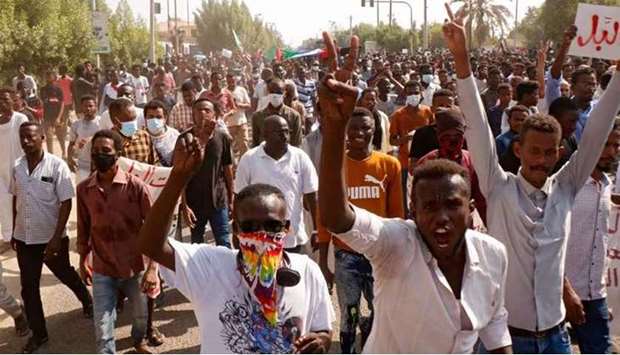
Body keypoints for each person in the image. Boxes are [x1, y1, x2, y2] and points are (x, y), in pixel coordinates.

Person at [318, 32, 511, 353]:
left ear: (470, 206)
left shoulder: (493, 255)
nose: (442, 218)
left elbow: (495, 327)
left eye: (453, 205)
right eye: (429, 207)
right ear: (413, 209)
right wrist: (336, 129)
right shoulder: (394, 245)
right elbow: (337, 217)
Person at [443, 5, 620, 352]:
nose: (542, 160)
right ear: (519, 150)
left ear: (559, 153)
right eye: (534, 151)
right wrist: (462, 60)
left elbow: (597, 130)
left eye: (550, 152)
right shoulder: (499, 187)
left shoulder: (566, 187)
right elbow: (478, 126)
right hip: (505, 340)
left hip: (557, 339)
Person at [139, 152, 335, 354]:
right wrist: (178, 179)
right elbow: (150, 244)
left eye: (272, 226)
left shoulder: (306, 270)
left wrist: (321, 340)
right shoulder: (211, 266)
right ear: (236, 230)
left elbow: (323, 330)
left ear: (286, 228)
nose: (261, 235)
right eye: (250, 227)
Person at [317, 107, 403, 353]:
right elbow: (324, 217)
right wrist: (324, 262)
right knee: (349, 314)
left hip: (380, 256)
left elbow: (397, 216)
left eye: (365, 128)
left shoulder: (389, 165)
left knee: (382, 311)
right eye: (352, 128)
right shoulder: (334, 167)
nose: (358, 133)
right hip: (346, 257)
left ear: (374, 131)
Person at [10, 122, 93, 353]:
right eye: (23, 137)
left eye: (31, 137)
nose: (26, 141)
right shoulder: (17, 167)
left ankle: (86, 299)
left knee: (64, 273)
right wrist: (15, 231)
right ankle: (39, 334)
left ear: (42, 138)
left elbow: (66, 202)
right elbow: (16, 198)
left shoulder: (57, 166)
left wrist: (56, 237)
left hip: (51, 237)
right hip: (25, 238)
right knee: (29, 287)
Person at [77, 129, 159, 354]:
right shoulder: (84, 190)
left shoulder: (136, 187)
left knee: (141, 316)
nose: (100, 155)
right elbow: (83, 230)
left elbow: (154, 231)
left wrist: (153, 269)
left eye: (106, 151)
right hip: (103, 268)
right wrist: (82, 261)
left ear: (117, 154)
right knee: (102, 327)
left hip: (135, 267)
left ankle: (138, 340)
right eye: (95, 152)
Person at [564, 119, 620, 354]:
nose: (610, 152)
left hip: (595, 293)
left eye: (616, 145)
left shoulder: (607, 185)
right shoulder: (566, 183)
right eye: (604, 144)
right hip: (559, 293)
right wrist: (564, 291)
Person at [236, 115, 318, 254]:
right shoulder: (249, 159)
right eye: (279, 132)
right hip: (259, 240)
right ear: (265, 135)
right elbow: (239, 199)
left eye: (287, 131)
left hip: (293, 240)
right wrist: (238, 230)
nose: (285, 136)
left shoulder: (300, 157)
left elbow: (312, 196)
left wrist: (317, 229)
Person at [417, 108, 486, 225]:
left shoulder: (470, 160)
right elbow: (418, 202)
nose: (452, 140)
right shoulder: (427, 162)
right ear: (438, 136)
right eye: (447, 136)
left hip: (463, 224)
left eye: (457, 135)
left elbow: (481, 200)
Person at [182, 98, 234, 248]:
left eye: (207, 110)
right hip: (195, 201)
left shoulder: (222, 137)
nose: (203, 113)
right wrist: (184, 206)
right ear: (192, 114)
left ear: (214, 115)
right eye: (199, 110)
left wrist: (231, 198)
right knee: (196, 243)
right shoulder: (185, 139)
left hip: (218, 200)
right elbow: (181, 176)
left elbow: (227, 169)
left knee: (224, 242)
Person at [389, 80, 433, 215]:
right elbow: (392, 141)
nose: (413, 95)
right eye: (410, 93)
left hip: (426, 161)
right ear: (405, 95)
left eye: (415, 92)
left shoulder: (428, 112)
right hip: (405, 162)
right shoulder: (398, 115)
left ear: (421, 94)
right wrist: (407, 138)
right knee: (404, 193)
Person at [0, 88, 30, 243]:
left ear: (13, 101)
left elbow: (30, 141)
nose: (2, 103)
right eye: (0, 100)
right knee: (4, 203)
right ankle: (7, 237)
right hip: (1, 171)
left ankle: (24, 235)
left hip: (19, 169)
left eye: (6, 99)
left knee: (22, 203)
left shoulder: (20, 119)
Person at [252, 78, 302, 147]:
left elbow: (297, 144)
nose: (275, 95)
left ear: (284, 93)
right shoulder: (257, 116)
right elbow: (255, 143)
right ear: (268, 92)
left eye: (279, 92)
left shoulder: (294, 116)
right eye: (272, 92)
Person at [109, 98, 158, 165]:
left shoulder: (144, 136)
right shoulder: (107, 141)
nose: (133, 123)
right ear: (115, 121)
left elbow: (154, 163)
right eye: (128, 120)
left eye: (134, 118)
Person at [67, 95, 104, 183]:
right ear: (81, 107)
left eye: (90, 106)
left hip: (99, 165)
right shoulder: (76, 124)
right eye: (85, 106)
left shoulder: (101, 122)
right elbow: (71, 143)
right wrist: (69, 159)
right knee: (82, 191)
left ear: (96, 107)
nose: (88, 108)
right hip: (82, 165)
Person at [144, 100, 180, 167]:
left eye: (158, 117)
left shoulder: (175, 135)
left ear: (165, 118)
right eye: (151, 117)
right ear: (145, 118)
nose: (154, 120)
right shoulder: (138, 137)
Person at [40, 69, 67, 158]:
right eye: (47, 76)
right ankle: (50, 156)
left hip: (58, 116)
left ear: (54, 77)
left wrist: (59, 117)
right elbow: (43, 102)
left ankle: (64, 152)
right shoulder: (43, 89)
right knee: (49, 137)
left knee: (60, 136)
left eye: (50, 75)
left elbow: (62, 103)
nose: (48, 77)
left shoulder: (58, 89)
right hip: (47, 117)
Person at [225, 73, 251, 161]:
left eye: (232, 80)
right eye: (229, 81)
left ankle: (245, 165)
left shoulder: (241, 90)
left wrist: (238, 105)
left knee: (244, 145)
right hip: (228, 124)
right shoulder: (224, 92)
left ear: (235, 80)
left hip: (241, 122)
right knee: (228, 148)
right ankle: (232, 167)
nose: (231, 82)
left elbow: (248, 105)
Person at [358, 88, 391, 154]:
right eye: (367, 99)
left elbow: (388, 144)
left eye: (373, 99)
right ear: (361, 100)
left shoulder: (383, 117)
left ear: (376, 101)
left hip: (379, 156)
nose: (370, 102)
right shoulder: (353, 116)